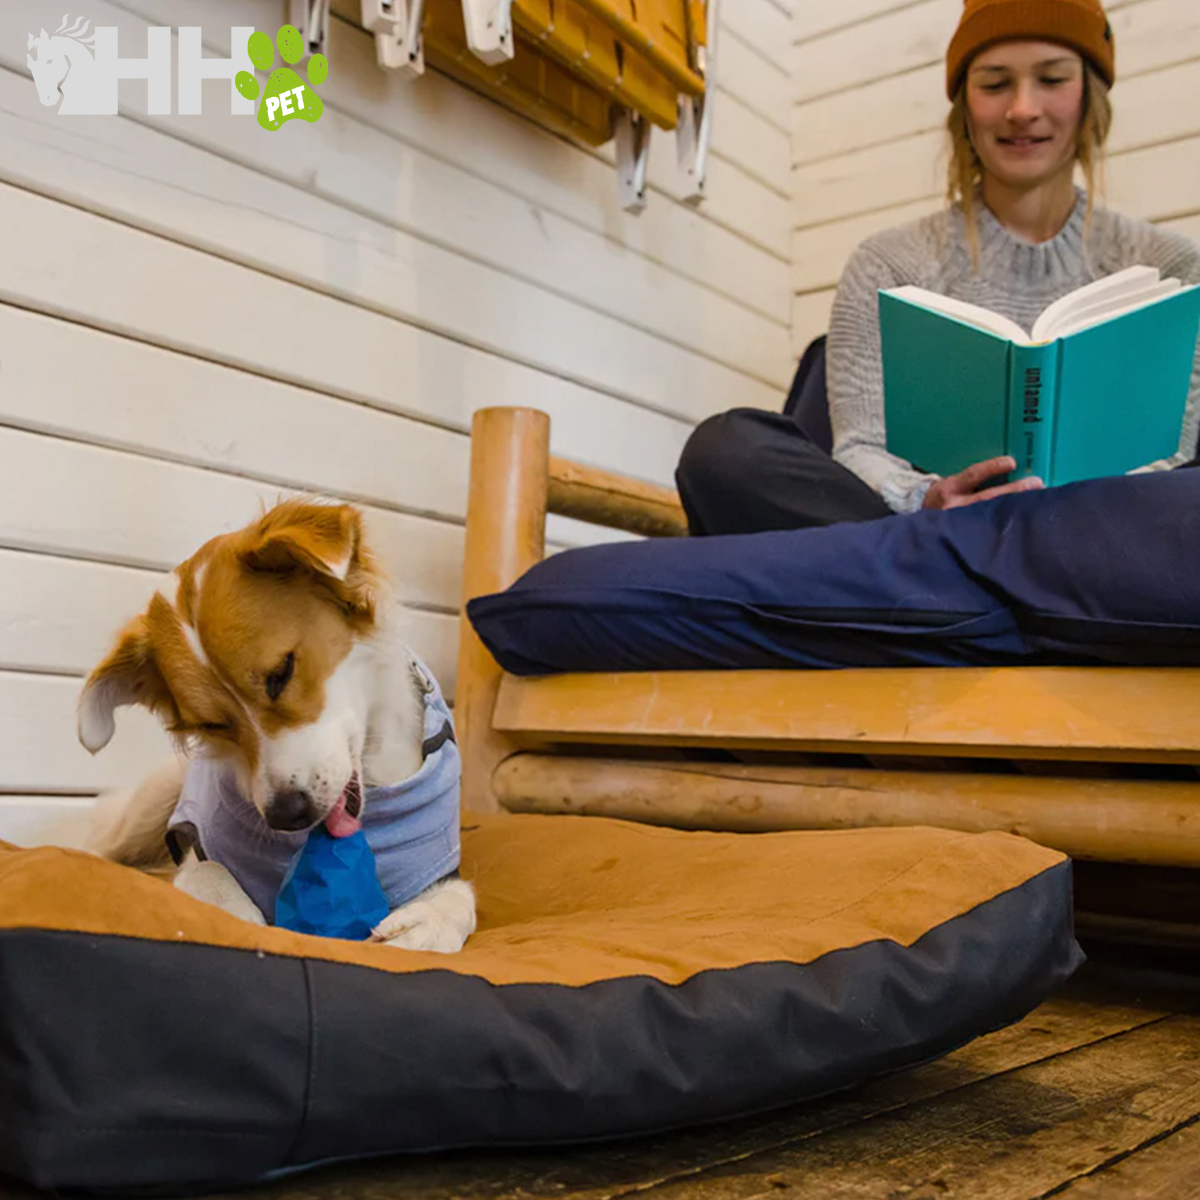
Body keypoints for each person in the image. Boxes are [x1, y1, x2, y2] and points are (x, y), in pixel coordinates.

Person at [676, 0, 1200, 536]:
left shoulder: (1170, 268)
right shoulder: (888, 263)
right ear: (964, 106)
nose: (1022, 109)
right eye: (995, 84)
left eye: (1051, 79)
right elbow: (860, 450)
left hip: (1096, 538)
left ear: (1089, 96)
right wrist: (926, 498)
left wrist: (1063, 516)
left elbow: (1170, 455)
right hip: (928, 539)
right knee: (727, 451)